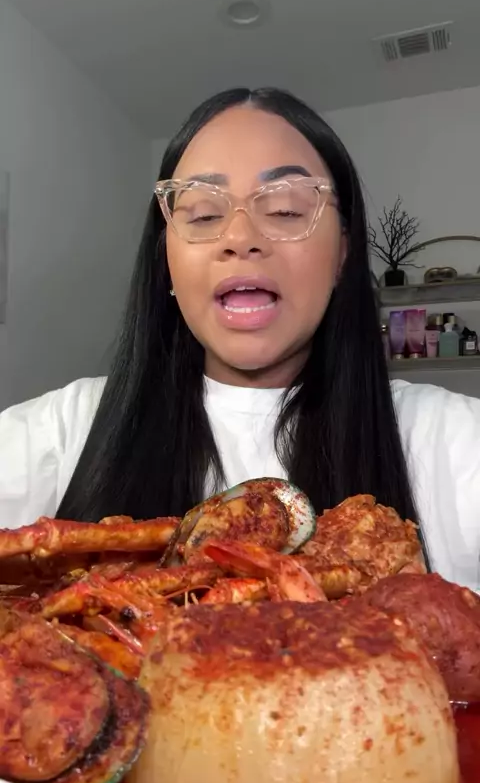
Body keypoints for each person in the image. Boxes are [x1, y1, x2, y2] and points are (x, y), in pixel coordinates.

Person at [1, 87, 479, 589]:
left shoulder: (450, 441)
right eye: (204, 214)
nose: (240, 238)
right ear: (166, 258)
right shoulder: (61, 433)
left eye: (286, 210)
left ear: (342, 253)